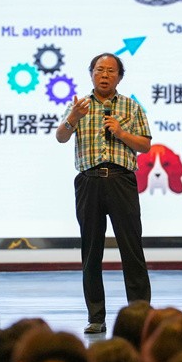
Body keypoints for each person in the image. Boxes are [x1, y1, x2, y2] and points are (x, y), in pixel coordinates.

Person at [56, 52, 153, 334]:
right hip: (89, 182)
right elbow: (61, 137)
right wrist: (72, 118)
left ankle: (140, 316)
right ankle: (96, 317)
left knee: (132, 250)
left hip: (122, 181)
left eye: (111, 70)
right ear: (91, 74)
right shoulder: (79, 106)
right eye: (99, 70)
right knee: (91, 251)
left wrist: (121, 133)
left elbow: (145, 145)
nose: (105, 75)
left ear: (119, 77)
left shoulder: (131, 107)